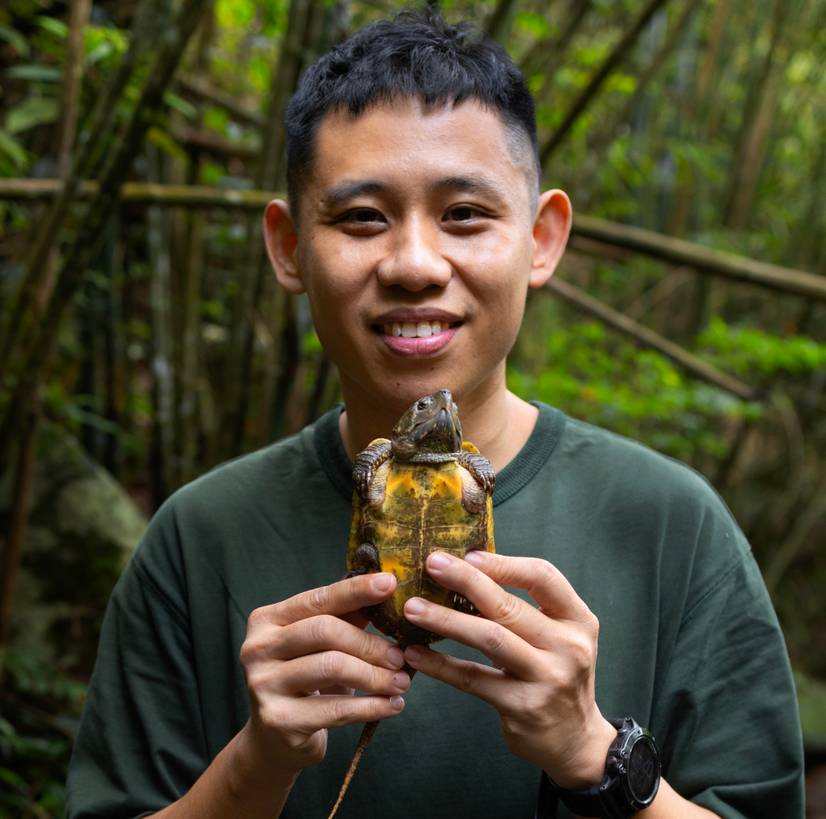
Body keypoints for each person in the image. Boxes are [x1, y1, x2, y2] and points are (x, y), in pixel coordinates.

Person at [66, 11, 804, 819]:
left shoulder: (671, 525)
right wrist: (258, 759)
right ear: (287, 248)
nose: (415, 264)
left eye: (464, 214)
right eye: (361, 218)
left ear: (542, 239)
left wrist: (592, 752)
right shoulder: (197, 537)